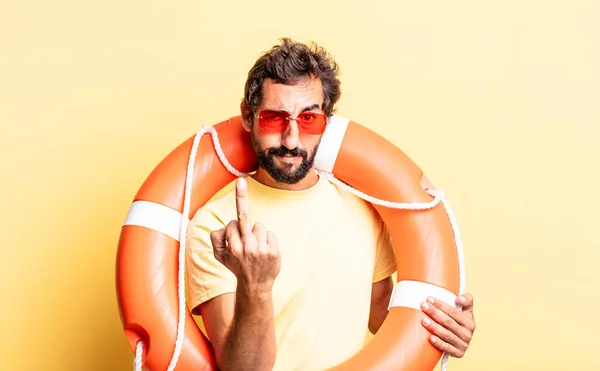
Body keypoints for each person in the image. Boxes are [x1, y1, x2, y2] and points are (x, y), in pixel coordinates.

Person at [185, 38, 476, 371]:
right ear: (248, 117)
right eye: (273, 119)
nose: (291, 140)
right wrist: (257, 284)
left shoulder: (365, 207)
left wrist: (447, 328)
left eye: (308, 120)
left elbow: (382, 312)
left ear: (328, 121)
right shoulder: (215, 228)